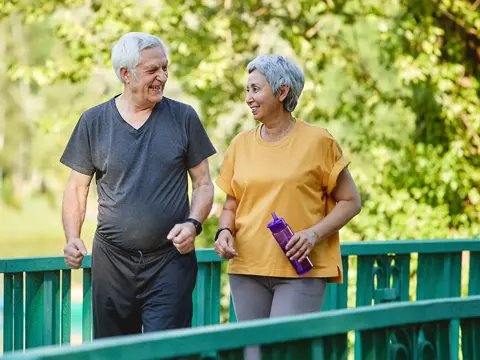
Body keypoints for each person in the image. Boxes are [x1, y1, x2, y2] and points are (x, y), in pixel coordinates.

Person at [60, 32, 216, 338]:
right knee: (114, 352)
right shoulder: (94, 121)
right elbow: (77, 188)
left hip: (170, 261)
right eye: (152, 70)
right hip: (111, 263)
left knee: (165, 353)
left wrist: (193, 224)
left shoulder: (183, 117)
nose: (162, 77)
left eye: (165, 68)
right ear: (125, 74)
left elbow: (203, 184)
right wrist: (72, 237)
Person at [214, 55, 362, 322]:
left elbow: (351, 201)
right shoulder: (240, 144)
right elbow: (231, 204)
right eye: (247, 90)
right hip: (247, 268)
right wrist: (224, 231)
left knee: (285, 352)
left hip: (300, 271)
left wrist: (313, 235)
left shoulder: (318, 141)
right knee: (252, 354)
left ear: (282, 92)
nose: (249, 98)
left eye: (256, 89)